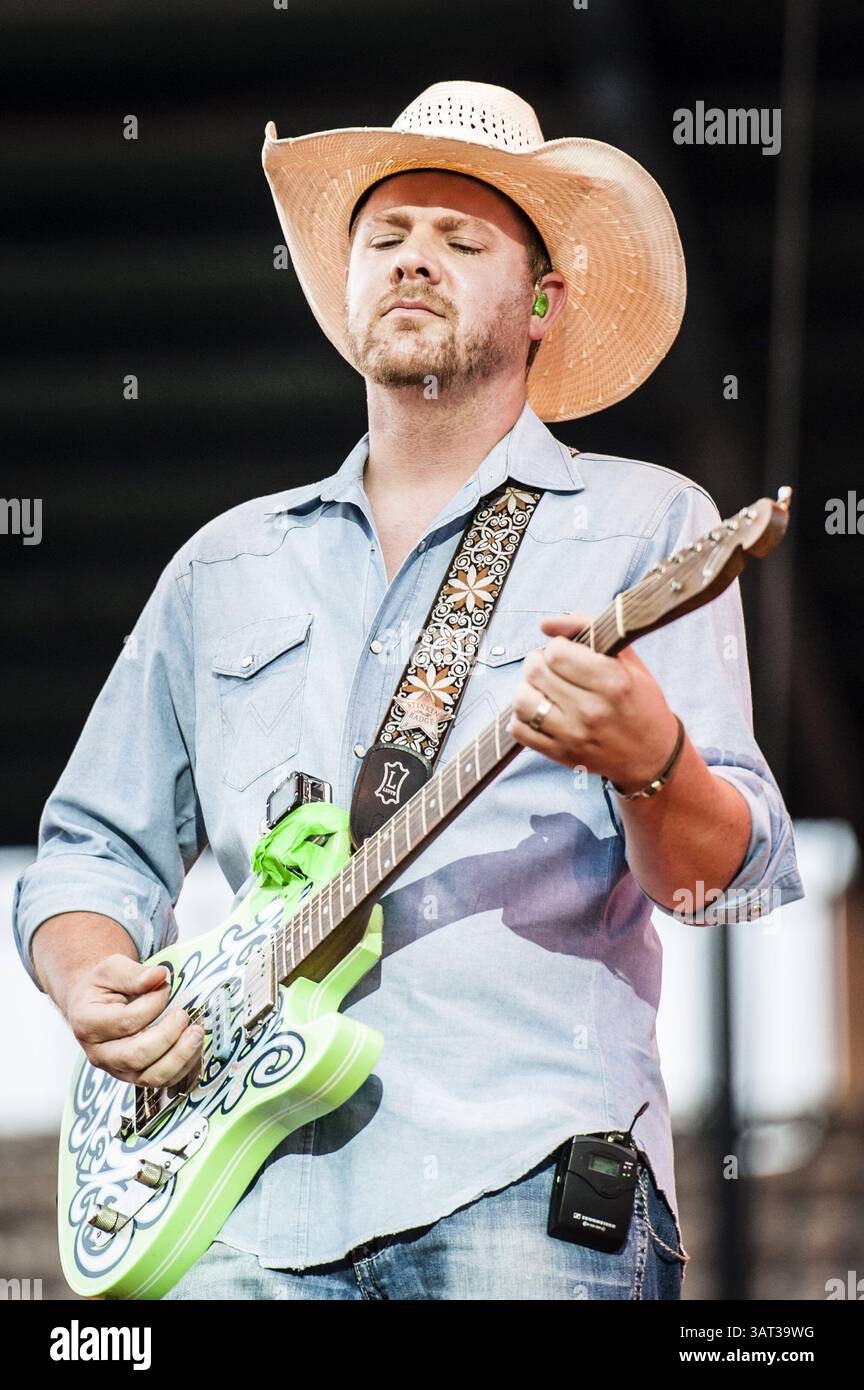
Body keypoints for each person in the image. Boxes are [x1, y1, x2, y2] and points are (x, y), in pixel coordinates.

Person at [13, 81, 804, 1301]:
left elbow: (724, 883)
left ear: (542, 303)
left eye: (461, 238)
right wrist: (87, 977)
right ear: (347, 288)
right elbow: (85, 851)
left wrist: (655, 762)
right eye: (384, 239)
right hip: (240, 1211)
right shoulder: (224, 563)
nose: (413, 261)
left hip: (528, 1175)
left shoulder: (648, 523)